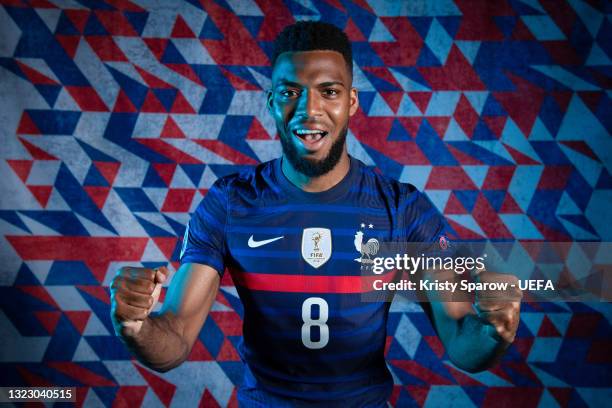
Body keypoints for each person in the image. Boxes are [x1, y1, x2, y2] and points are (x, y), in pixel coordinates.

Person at [110, 21, 521, 407]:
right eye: (290, 92)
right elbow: (175, 338)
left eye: (329, 91)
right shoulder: (231, 203)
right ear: (270, 102)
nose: (309, 109)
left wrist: (491, 331)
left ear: (351, 102)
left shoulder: (401, 209)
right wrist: (138, 327)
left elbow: (460, 340)